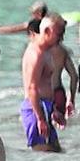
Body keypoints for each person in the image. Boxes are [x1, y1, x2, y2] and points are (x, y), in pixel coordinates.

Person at [20, 14, 62, 152]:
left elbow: (46, 83)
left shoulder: (46, 51)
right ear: (47, 31)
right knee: (43, 153)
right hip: (36, 109)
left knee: (57, 152)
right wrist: (40, 119)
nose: (61, 38)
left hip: (45, 108)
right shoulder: (36, 54)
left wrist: (53, 109)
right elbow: (32, 88)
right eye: (59, 33)